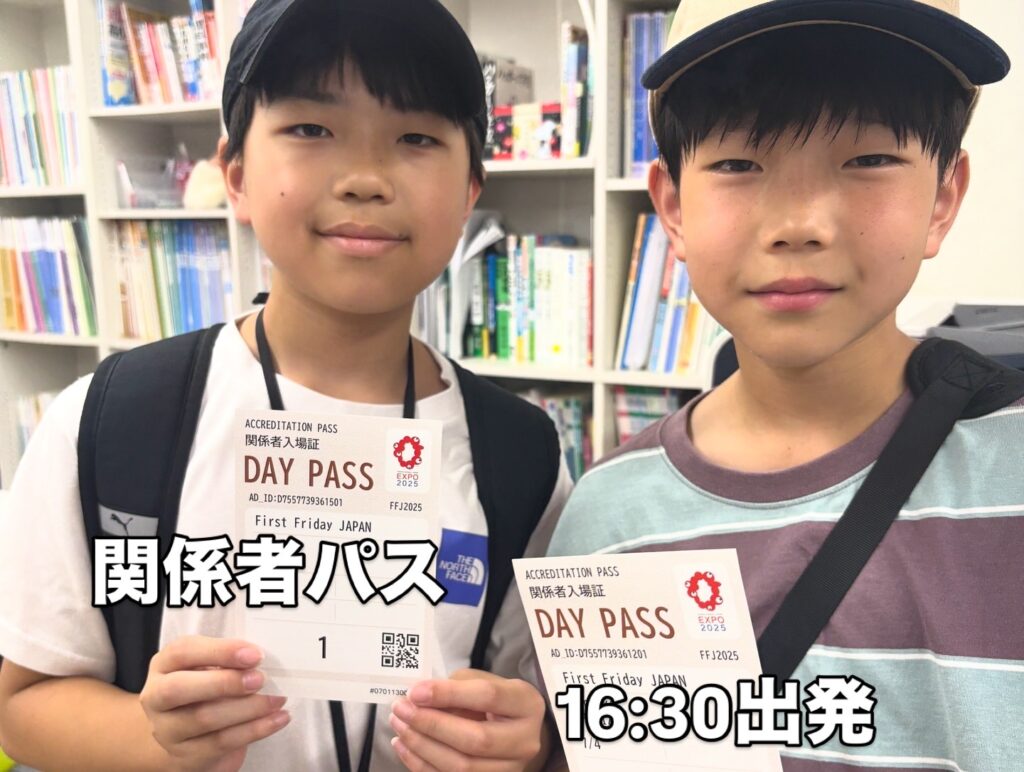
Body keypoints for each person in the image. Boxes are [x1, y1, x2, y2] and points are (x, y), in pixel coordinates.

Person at [0, 1, 571, 770]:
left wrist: (521, 747)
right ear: (235, 174)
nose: (365, 179)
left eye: (416, 138)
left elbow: (534, 714)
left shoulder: (522, 457)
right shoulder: (110, 421)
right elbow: (23, 703)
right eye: (310, 128)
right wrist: (154, 738)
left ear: (471, 189)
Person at [547, 1, 1022, 769]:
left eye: (868, 160)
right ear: (672, 206)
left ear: (942, 197)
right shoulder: (608, 517)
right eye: (740, 165)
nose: (800, 225)